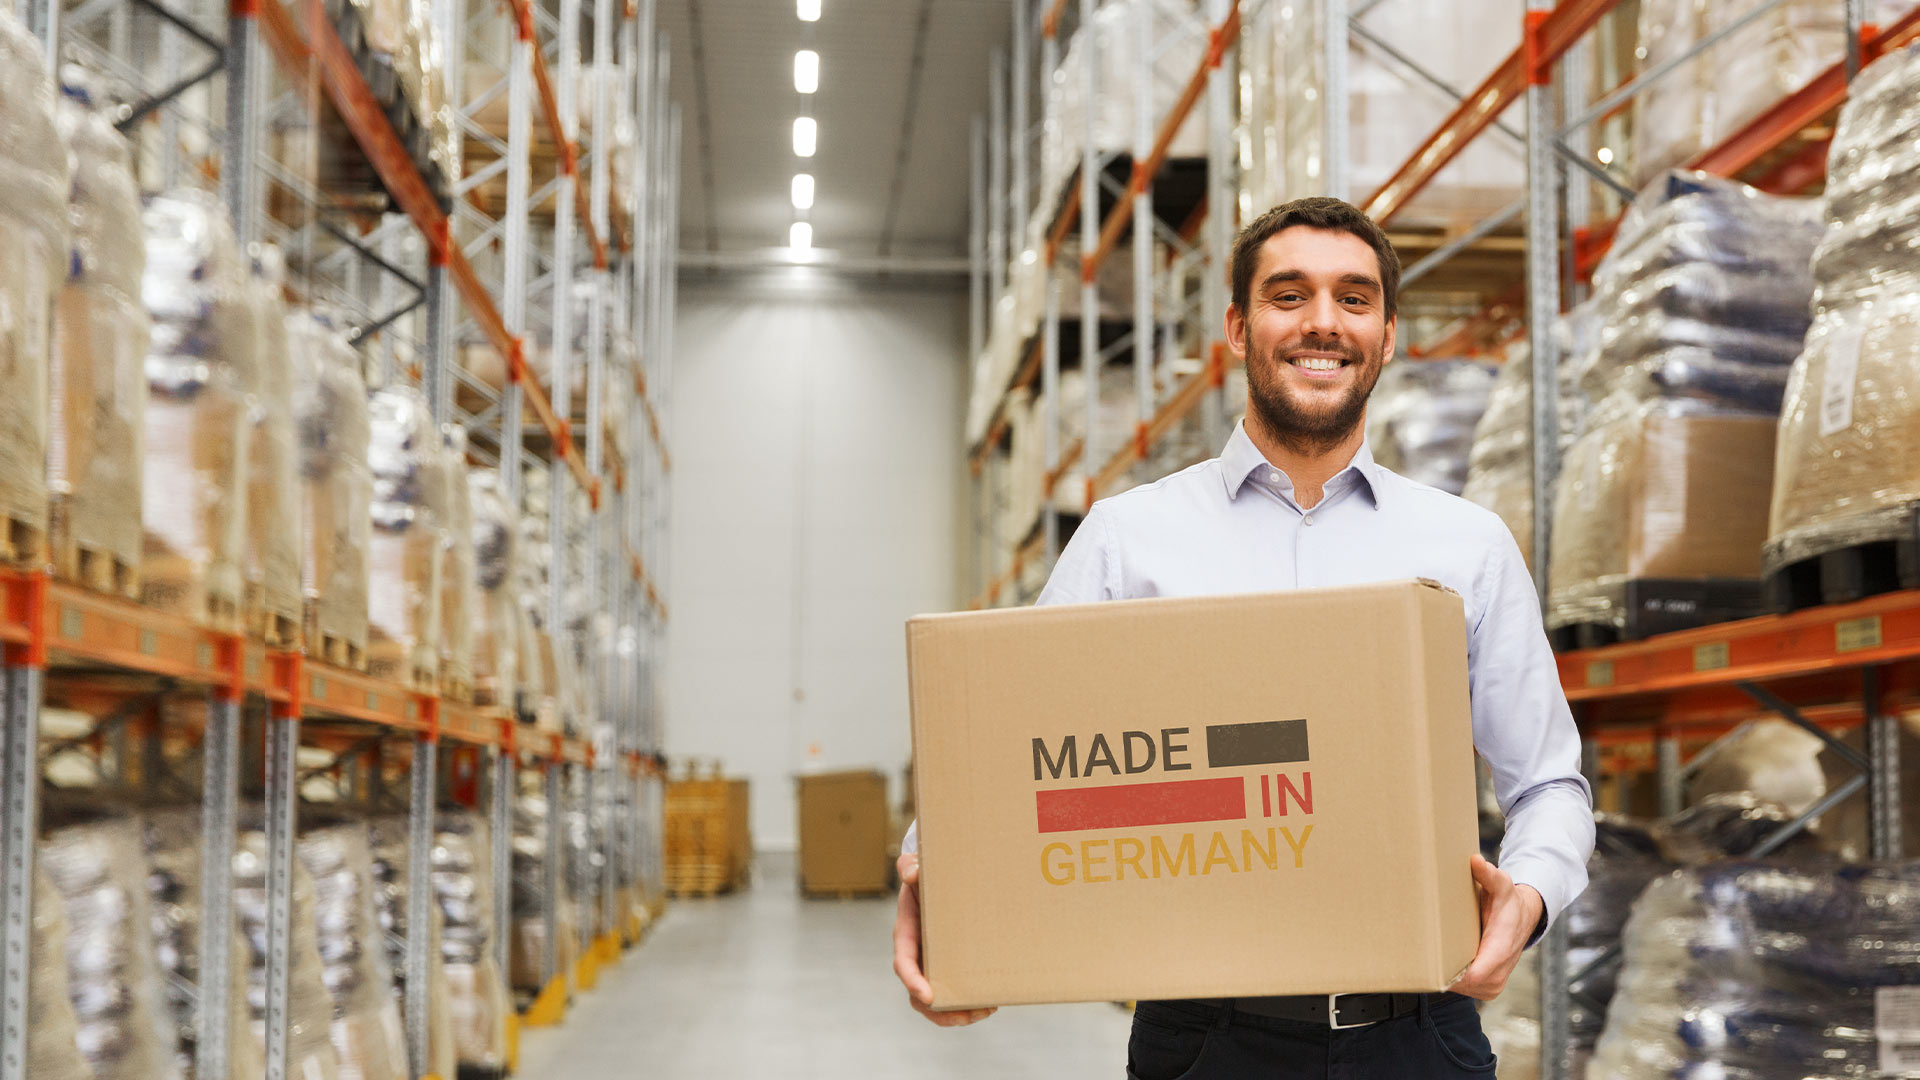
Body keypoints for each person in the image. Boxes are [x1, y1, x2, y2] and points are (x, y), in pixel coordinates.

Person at [891, 196, 1595, 1078]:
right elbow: (1006, 757)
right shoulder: (1129, 538)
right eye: (1289, 296)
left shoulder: (1467, 546)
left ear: (1386, 335)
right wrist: (939, 895)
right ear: (1237, 326)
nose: (1324, 324)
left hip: (1419, 1037)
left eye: (1355, 298)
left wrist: (1524, 898)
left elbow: (1550, 783)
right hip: (1206, 1040)